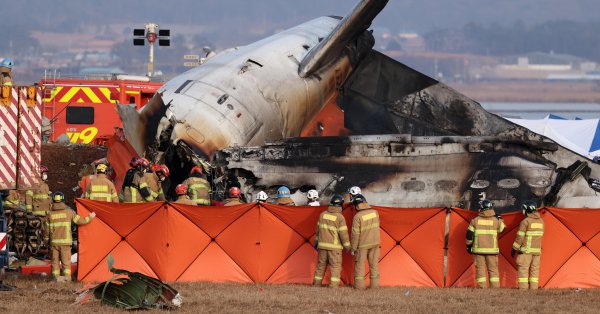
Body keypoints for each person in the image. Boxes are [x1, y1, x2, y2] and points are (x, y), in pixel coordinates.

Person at [44, 192, 95, 282]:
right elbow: (80, 221)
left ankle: (56, 278)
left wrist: (46, 241)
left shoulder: (49, 214)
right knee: (66, 262)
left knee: (55, 262)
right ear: (63, 200)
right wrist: (90, 217)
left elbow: (46, 230)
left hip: (54, 243)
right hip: (65, 243)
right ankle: (67, 279)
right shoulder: (69, 213)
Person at [466, 199, 506, 288]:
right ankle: (495, 288)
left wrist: (468, 246)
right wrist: (499, 218)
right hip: (492, 251)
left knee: (480, 269)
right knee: (493, 270)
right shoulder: (496, 220)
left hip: (478, 250)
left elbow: (469, 234)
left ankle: (482, 288)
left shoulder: (475, 220)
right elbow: (503, 229)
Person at [313, 194, 350, 288]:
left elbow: (318, 231)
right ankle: (333, 286)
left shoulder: (322, 215)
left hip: (321, 246)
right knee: (335, 267)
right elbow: (343, 234)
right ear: (341, 205)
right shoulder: (340, 217)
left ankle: (316, 285)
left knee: (320, 266)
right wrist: (347, 247)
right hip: (334, 248)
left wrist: (316, 243)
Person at [512, 200, 544, 290]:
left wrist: (514, 248)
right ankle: (534, 289)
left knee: (523, 270)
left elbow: (520, 237)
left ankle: (523, 289)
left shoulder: (525, 221)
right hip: (537, 251)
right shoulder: (541, 221)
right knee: (534, 271)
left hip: (526, 251)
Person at [350, 194, 380, 289]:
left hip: (362, 245)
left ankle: (359, 287)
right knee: (374, 265)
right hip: (375, 243)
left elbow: (355, 234)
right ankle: (375, 287)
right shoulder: (375, 212)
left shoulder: (357, 217)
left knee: (360, 266)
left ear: (356, 205)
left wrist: (353, 248)